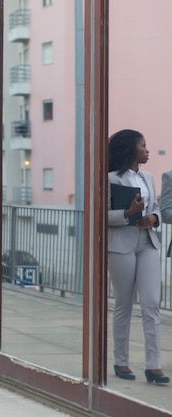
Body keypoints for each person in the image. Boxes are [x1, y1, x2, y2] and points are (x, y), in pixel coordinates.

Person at [107, 129, 169, 384]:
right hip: (121, 244)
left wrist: (154, 218)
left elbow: (156, 208)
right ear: (131, 149)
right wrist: (127, 212)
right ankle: (121, 361)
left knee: (151, 303)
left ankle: (154, 365)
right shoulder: (110, 178)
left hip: (147, 243)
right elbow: (101, 215)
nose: (147, 149)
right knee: (123, 303)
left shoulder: (149, 177)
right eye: (143, 145)